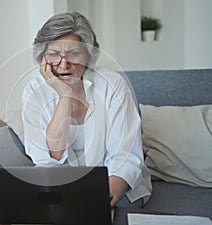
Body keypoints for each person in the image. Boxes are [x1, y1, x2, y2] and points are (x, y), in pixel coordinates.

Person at [21, 12, 152, 208]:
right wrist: (65, 96)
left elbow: (125, 155)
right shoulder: (33, 92)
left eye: (74, 53)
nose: (63, 63)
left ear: (88, 56)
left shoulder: (112, 84)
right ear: (43, 57)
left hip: (115, 182)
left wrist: (100, 197)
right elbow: (49, 159)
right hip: (60, 185)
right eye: (54, 54)